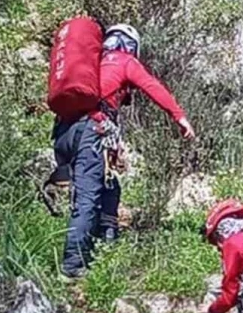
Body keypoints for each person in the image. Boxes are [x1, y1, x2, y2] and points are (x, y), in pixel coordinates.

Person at [53, 23, 195, 278]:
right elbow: (153, 87)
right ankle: (73, 266)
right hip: (90, 130)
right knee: (87, 199)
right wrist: (180, 117)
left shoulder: (91, 64)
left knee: (107, 187)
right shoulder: (123, 60)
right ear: (131, 46)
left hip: (63, 132)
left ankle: (105, 239)